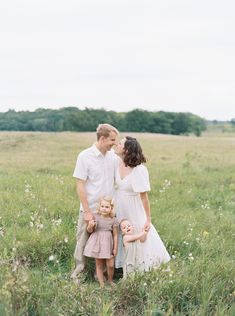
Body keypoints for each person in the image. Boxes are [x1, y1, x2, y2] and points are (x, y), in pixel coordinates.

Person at [114, 136, 170, 271]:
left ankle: (142, 265)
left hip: (133, 207)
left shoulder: (139, 170)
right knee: (121, 232)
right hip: (119, 205)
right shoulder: (117, 162)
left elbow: (144, 197)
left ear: (126, 150)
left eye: (120, 143)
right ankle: (122, 265)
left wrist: (148, 219)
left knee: (139, 232)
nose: (117, 144)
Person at [71, 123, 119, 280]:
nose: (114, 143)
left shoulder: (113, 157)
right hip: (90, 208)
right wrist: (87, 212)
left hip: (108, 212)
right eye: (112, 140)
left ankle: (102, 274)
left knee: (107, 243)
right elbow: (80, 184)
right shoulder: (84, 156)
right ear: (103, 138)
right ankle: (78, 275)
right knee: (82, 242)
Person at [83, 197, 118, 287]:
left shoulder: (113, 220)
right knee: (99, 264)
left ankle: (110, 280)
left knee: (110, 264)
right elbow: (90, 231)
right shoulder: (96, 217)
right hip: (97, 243)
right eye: (102, 206)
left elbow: (115, 235)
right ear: (99, 207)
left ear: (111, 208)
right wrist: (90, 226)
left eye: (107, 207)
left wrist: (115, 248)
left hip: (108, 245)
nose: (104, 208)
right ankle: (101, 283)